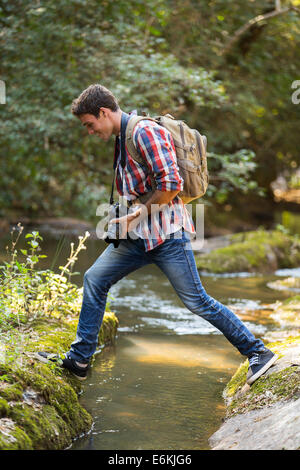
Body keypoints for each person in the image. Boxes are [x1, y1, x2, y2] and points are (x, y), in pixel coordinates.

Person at [36, 84, 277, 385]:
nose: (89, 131)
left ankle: (258, 353)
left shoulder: (143, 132)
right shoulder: (122, 138)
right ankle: (80, 358)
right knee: (94, 279)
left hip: (167, 237)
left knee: (197, 301)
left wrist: (136, 213)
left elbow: (171, 184)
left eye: (89, 124)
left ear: (103, 112)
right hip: (137, 237)